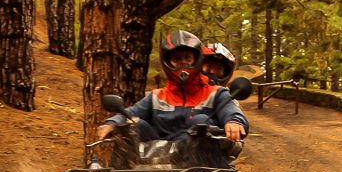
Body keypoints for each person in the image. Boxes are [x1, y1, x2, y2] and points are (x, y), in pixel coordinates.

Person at [96, 30, 248, 143]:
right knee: (135, 124)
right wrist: (113, 122)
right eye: (177, 58)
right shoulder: (157, 96)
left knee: (200, 121)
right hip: (155, 167)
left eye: (187, 58)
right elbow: (132, 112)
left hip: (203, 171)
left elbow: (232, 111)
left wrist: (234, 122)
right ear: (168, 62)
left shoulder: (217, 94)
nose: (183, 63)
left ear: (197, 60)